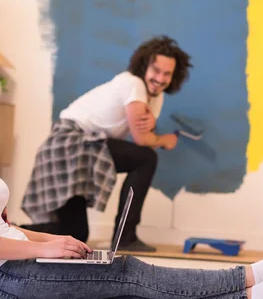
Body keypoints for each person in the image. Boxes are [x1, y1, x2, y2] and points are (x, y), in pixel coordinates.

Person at [0, 48, 263, 299]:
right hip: (1, 278)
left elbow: (5, 226)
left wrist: (53, 242)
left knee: (125, 289)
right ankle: (251, 276)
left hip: (17, 263)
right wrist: (47, 250)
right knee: (126, 272)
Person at [20, 35, 193, 252]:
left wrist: (151, 136)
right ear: (143, 66)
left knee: (75, 235)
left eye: (167, 74)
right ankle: (125, 237)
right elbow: (142, 139)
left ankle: (15, 232)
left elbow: (145, 137)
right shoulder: (134, 83)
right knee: (146, 158)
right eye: (156, 70)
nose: (160, 78)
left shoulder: (155, 97)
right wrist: (166, 140)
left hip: (86, 147)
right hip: (68, 143)